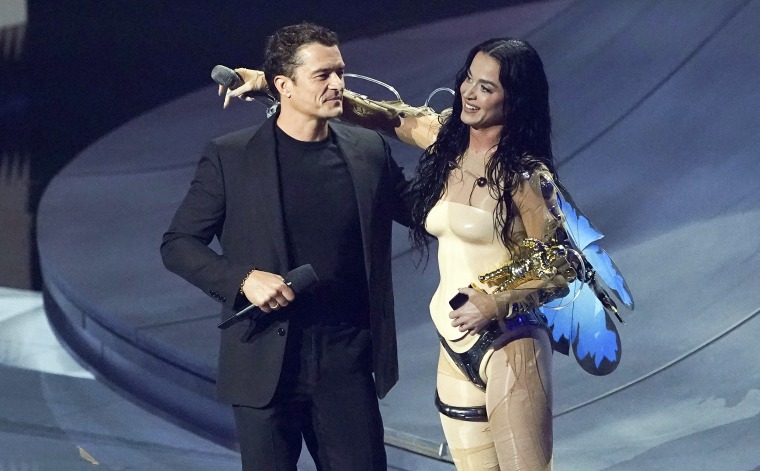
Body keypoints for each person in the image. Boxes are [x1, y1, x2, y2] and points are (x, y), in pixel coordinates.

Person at [227, 37, 630, 471]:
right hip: (452, 347)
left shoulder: (525, 175)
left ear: (515, 100)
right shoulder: (446, 139)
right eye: (467, 80)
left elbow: (559, 259)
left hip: (509, 344)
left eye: (486, 88)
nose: (469, 94)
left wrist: (492, 296)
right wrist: (271, 85)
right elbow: (373, 113)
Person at [161, 23, 413, 471]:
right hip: (264, 363)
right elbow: (179, 244)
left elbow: (424, 213)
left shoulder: (367, 150)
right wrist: (241, 279)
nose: (338, 84)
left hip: (345, 362)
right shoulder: (231, 156)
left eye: (340, 72)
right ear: (283, 86)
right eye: (323, 75)